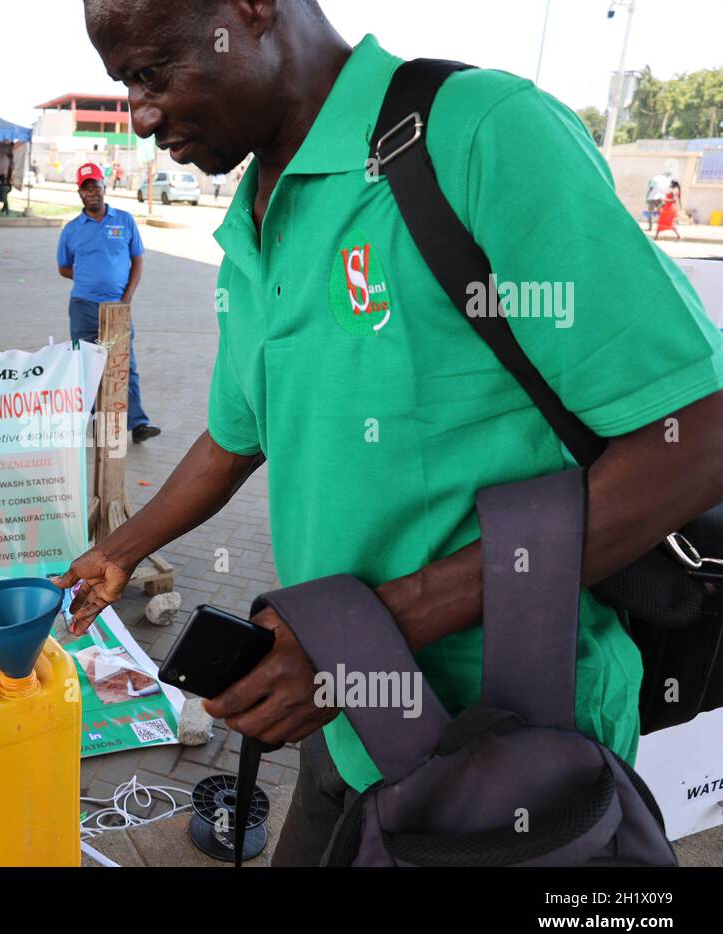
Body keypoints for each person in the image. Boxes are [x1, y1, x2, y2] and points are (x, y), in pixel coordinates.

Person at [61, 0, 723, 867]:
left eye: (152, 75)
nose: (141, 116)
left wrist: (359, 637)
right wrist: (121, 548)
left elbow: (697, 437)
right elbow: (237, 436)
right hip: (340, 728)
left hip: (512, 742)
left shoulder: (480, 135)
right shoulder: (254, 217)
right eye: (125, 87)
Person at [56, 162, 159, 443]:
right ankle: (82, 420)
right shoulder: (71, 229)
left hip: (117, 307)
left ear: (104, 187)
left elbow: (137, 260)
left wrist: (126, 299)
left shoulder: (124, 220)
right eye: (85, 188)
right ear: (80, 193)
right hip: (83, 307)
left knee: (125, 364)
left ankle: (137, 424)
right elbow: (63, 267)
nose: (91, 193)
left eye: (95, 186)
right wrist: (89, 276)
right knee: (83, 363)